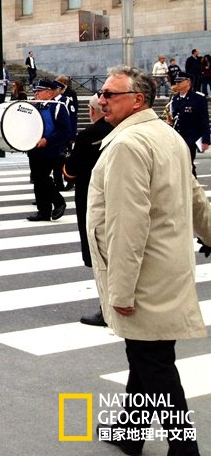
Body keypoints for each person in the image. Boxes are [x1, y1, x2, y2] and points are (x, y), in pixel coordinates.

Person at [88, 65, 211, 455]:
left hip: (142, 275)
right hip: (168, 267)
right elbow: (196, 200)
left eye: (110, 94)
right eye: (102, 93)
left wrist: (121, 290)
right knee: (147, 354)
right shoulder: (167, 135)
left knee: (153, 361)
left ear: (137, 100)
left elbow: (128, 225)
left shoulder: (128, 145)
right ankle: (130, 433)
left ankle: (184, 448)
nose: (101, 100)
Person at [61, 93, 113, 327]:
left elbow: (70, 172)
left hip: (93, 199)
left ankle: (107, 308)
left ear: (93, 112)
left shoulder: (89, 135)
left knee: (99, 254)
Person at [26, 79, 74, 222]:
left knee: (42, 178)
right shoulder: (36, 106)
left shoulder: (58, 107)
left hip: (50, 149)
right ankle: (43, 211)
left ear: (49, 92)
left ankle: (58, 202)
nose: (36, 93)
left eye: (39, 91)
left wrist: (48, 140)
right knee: (37, 179)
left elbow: (65, 130)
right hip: (34, 148)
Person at [168, 73, 210, 175]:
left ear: (188, 82)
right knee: (177, 166)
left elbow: (204, 119)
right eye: (176, 82)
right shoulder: (174, 98)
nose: (177, 84)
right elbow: (173, 116)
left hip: (191, 138)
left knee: (188, 165)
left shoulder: (198, 98)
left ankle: (192, 188)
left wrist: (206, 140)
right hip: (177, 137)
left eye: (180, 82)